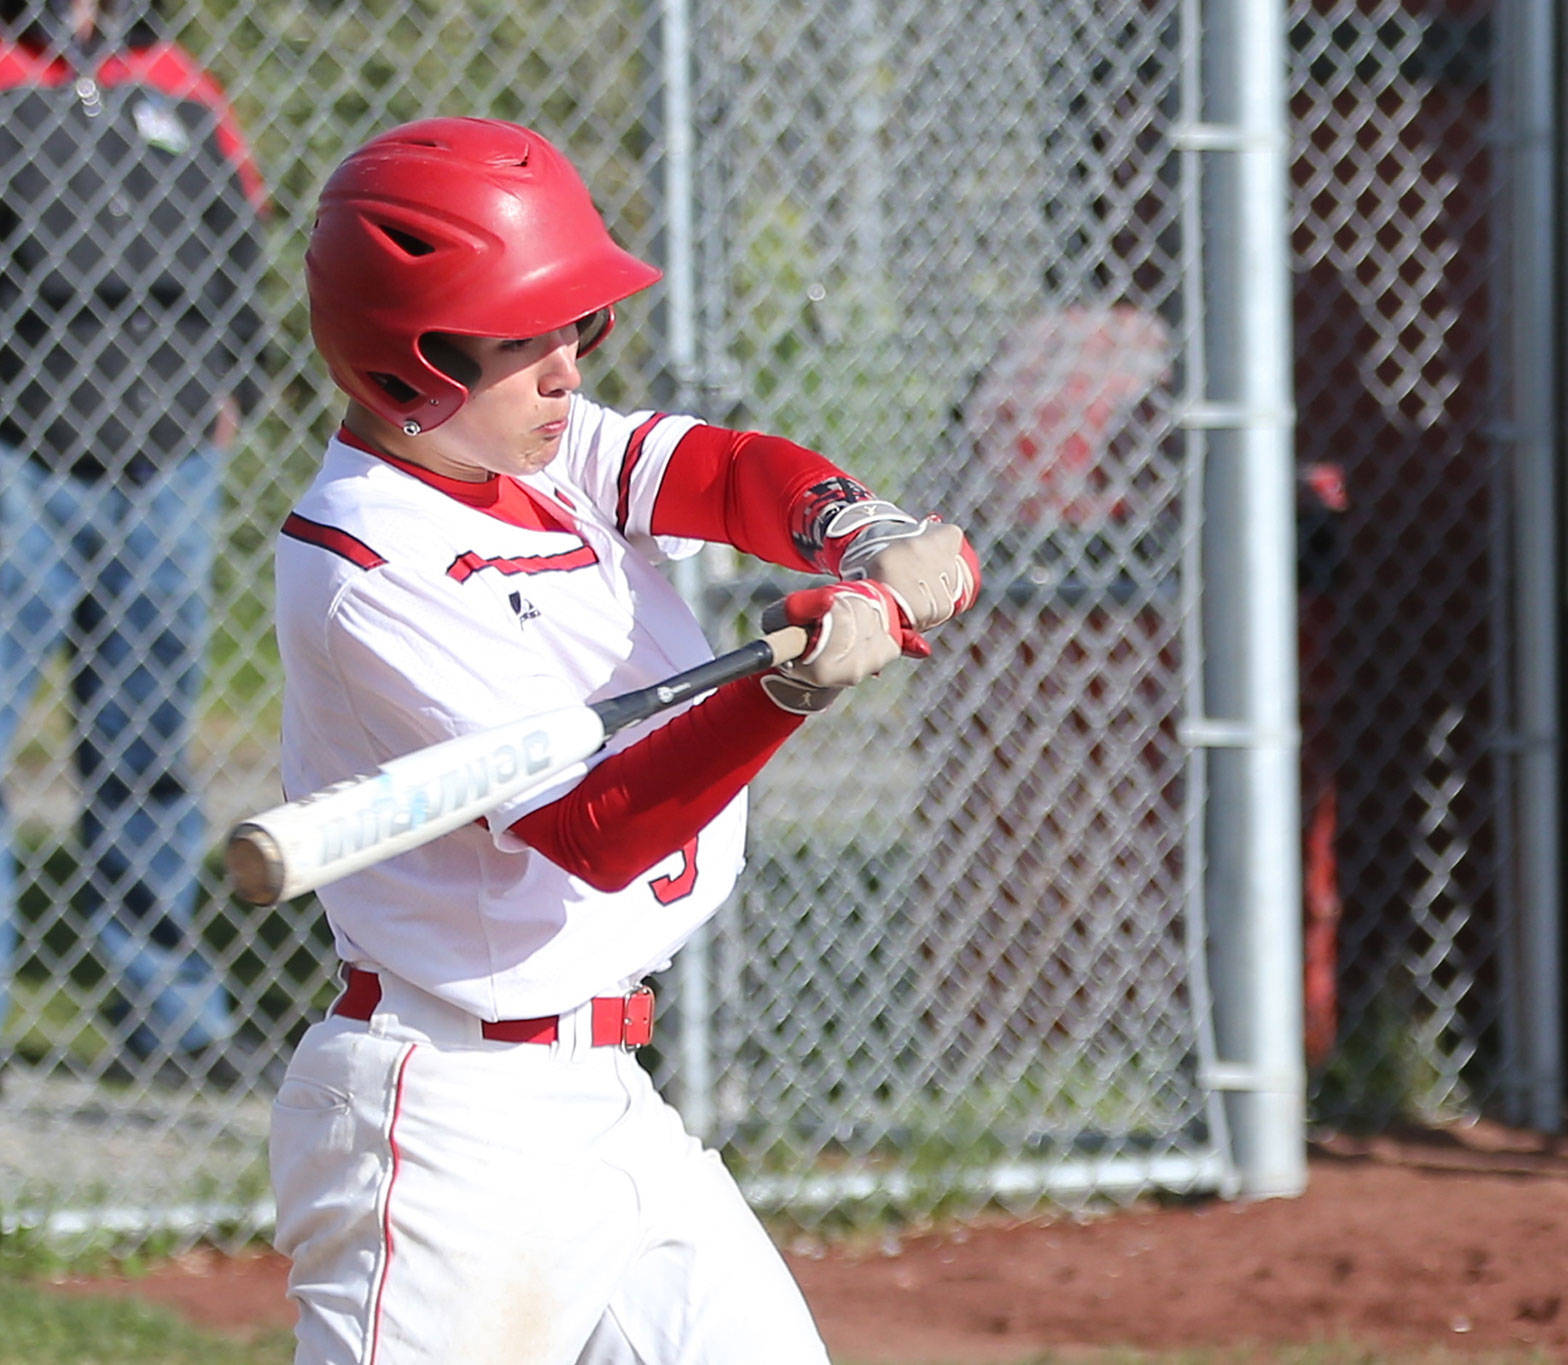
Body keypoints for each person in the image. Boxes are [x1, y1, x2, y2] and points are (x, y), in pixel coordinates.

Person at [269, 115, 979, 1362]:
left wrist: (856, 531)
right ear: (407, 365)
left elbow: (714, 469)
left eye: (578, 327)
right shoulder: (365, 560)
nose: (567, 368)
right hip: (445, 1128)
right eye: (524, 338)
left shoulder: (533, 452)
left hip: (603, 1100)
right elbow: (593, 832)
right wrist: (787, 695)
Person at [0, 0, 268, 1084]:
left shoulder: (180, 82)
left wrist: (234, 385)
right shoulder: (9, 72)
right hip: (20, 450)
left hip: (167, 461)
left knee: (146, 746)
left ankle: (169, 1018)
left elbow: (240, 243)